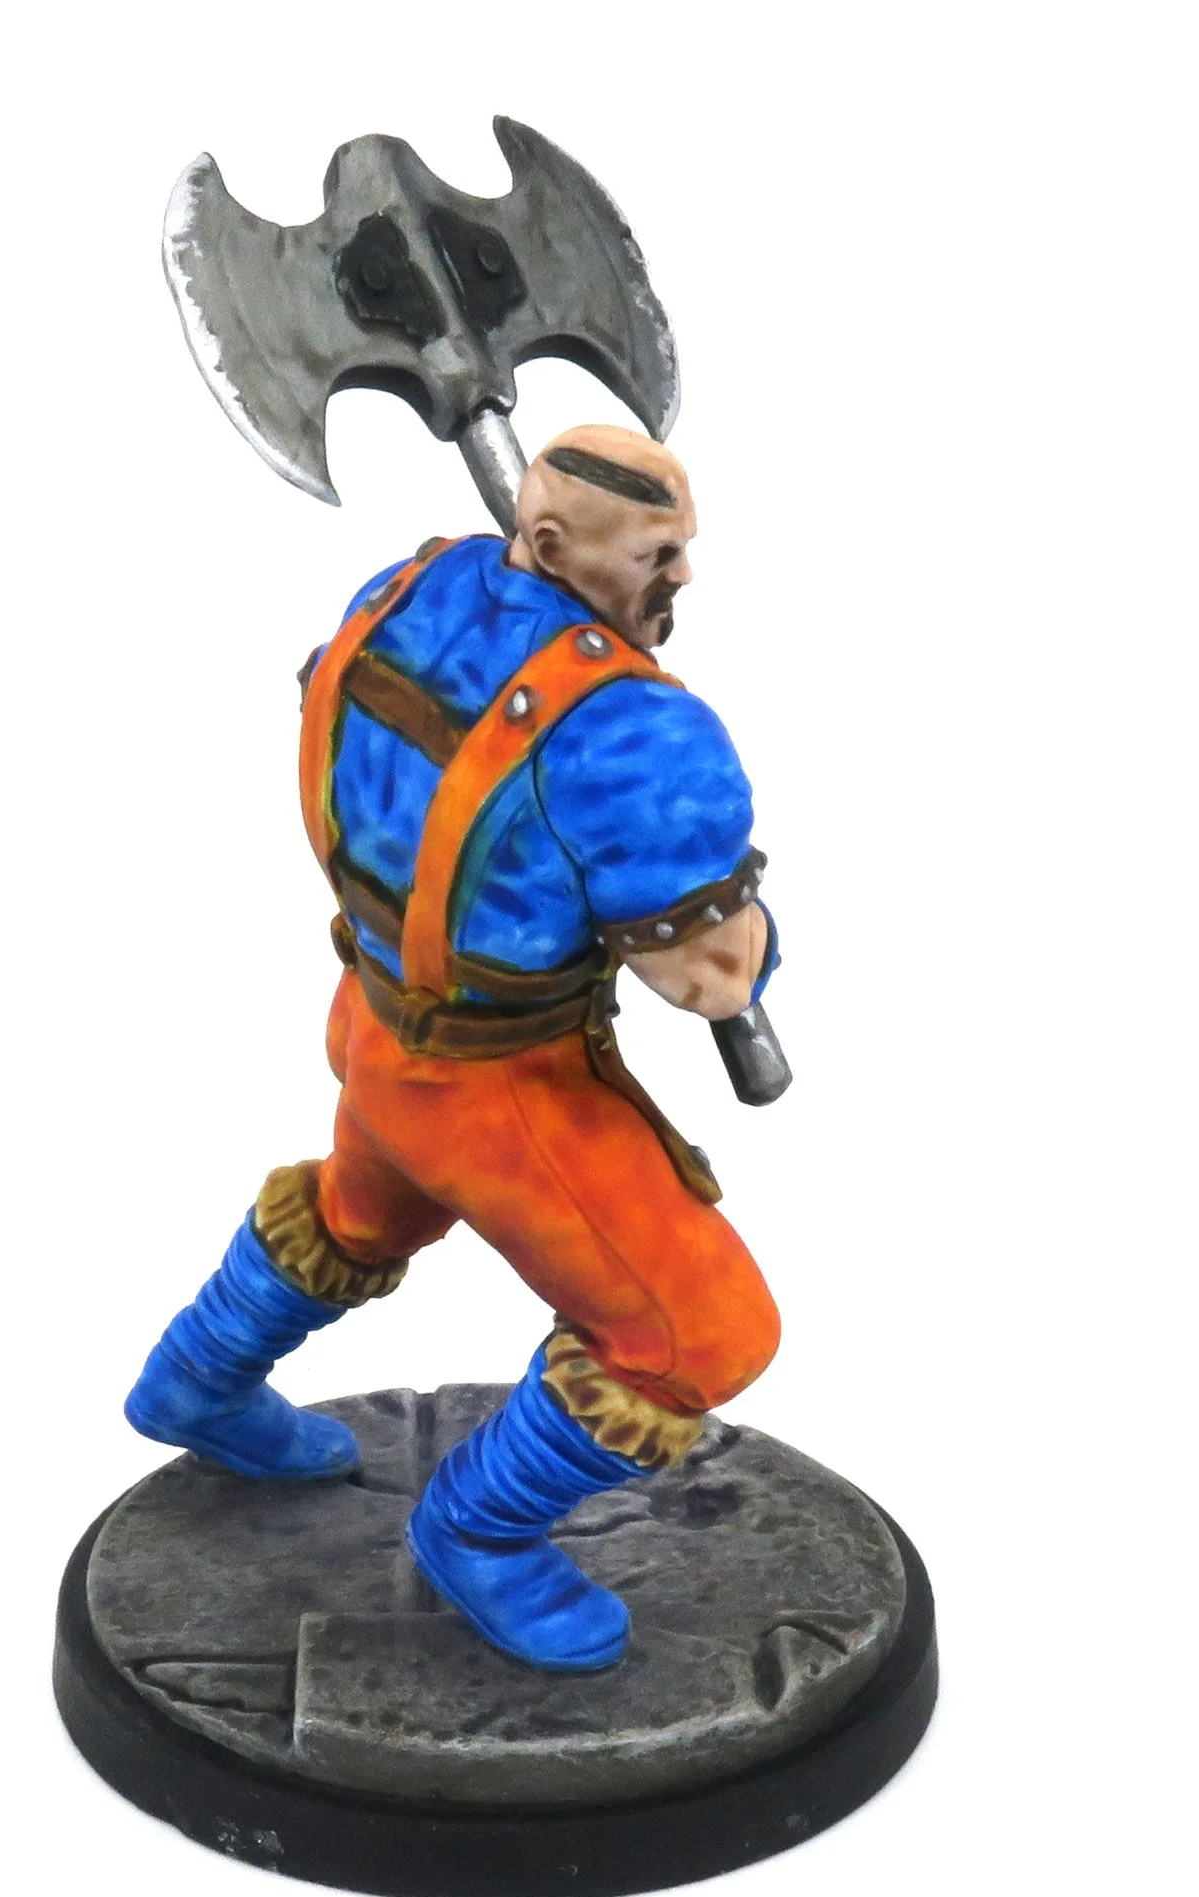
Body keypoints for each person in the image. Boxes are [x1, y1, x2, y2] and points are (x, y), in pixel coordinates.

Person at [124, 424, 782, 1671]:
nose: (684, 578)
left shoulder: (407, 585)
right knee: (703, 1330)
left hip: (377, 1028)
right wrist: (751, 929)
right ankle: (479, 1528)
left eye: (684, 549)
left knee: (359, 1213)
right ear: (554, 541)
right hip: (502, 1094)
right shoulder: (641, 731)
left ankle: (194, 1380)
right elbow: (709, 975)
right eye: (658, 555)